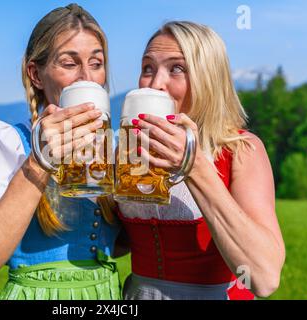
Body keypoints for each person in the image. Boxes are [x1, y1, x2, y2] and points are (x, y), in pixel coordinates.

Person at [0, 3, 122, 300]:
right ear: (36, 74)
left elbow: (116, 242)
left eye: (96, 64)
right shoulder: (6, 141)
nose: (86, 77)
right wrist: (40, 160)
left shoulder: (110, 148)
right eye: (70, 64)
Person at [118, 21, 285, 300]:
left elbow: (264, 278)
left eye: (177, 68)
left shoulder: (240, 150)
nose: (155, 84)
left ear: (208, 79)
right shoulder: (129, 152)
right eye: (148, 68)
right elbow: (114, 244)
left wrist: (194, 166)